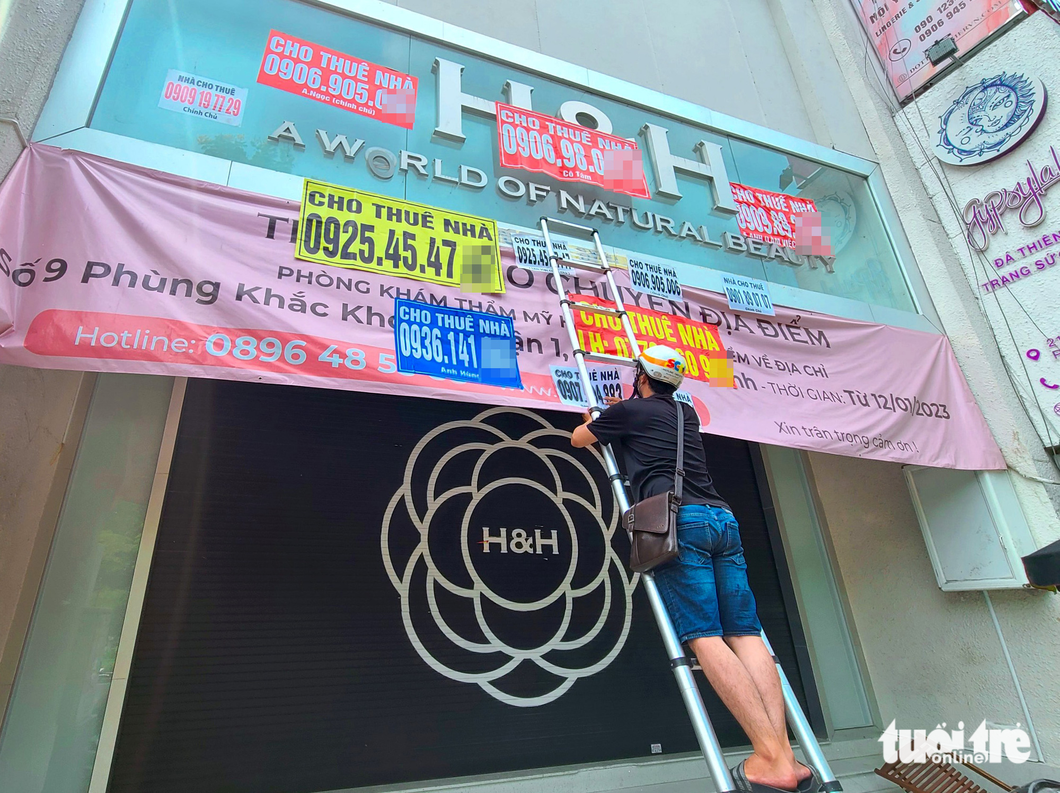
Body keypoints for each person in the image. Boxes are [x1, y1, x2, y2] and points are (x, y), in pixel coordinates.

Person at [570, 344, 816, 793]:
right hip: (722, 519)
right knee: (746, 632)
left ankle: (771, 759)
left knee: (704, 636)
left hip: (679, 524)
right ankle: (783, 753)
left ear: (642, 377)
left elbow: (579, 439)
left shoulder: (630, 411)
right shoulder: (687, 415)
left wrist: (597, 418)